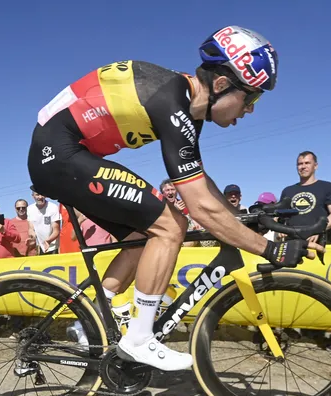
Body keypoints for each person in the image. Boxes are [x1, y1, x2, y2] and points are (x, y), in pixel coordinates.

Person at [28, 26, 323, 372]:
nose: (250, 110)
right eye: (252, 98)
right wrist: (269, 249)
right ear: (222, 84)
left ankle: (88, 322)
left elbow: (199, 180)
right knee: (171, 225)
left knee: (143, 234)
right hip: (60, 155)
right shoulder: (171, 102)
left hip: (66, 153)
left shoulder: (185, 106)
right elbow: (199, 205)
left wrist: (243, 218)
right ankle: (139, 339)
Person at [280, 151, 331, 242]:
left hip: (318, 242)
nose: (303, 166)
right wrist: (280, 228)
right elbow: (280, 216)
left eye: (307, 163)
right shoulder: (287, 191)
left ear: (315, 166)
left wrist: (318, 230)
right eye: (300, 164)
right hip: (291, 243)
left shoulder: (327, 187)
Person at [27, 190, 60, 254]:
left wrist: (48, 241)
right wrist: (32, 238)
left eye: (42, 194)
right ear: (33, 196)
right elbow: (31, 229)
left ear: (45, 196)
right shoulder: (30, 209)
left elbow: (56, 230)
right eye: (37, 195)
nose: (40, 197)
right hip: (40, 246)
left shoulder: (53, 207)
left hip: (53, 246)